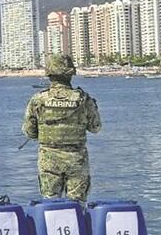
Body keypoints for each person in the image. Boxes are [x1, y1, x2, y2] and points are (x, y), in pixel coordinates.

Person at [22, 53, 102, 202]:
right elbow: (96, 128)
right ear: (71, 74)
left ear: (49, 74)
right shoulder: (83, 99)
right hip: (76, 159)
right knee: (77, 205)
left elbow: (29, 132)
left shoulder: (38, 99)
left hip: (49, 159)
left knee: (50, 205)